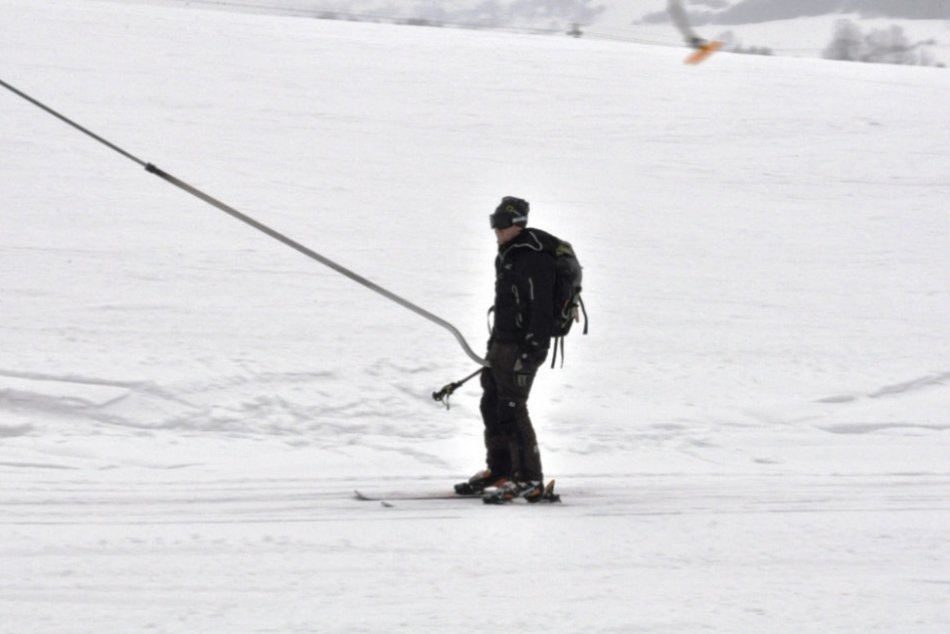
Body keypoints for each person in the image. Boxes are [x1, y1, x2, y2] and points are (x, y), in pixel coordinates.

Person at [455, 196, 556, 502]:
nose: (496, 229)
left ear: (518, 224)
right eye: (493, 222)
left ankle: (529, 479)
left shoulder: (534, 258)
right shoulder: (507, 254)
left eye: (501, 224)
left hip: (523, 346)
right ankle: (501, 469)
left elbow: (542, 309)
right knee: (491, 403)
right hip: (501, 342)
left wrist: (532, 349)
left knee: (512, 408)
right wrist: (494, 343)